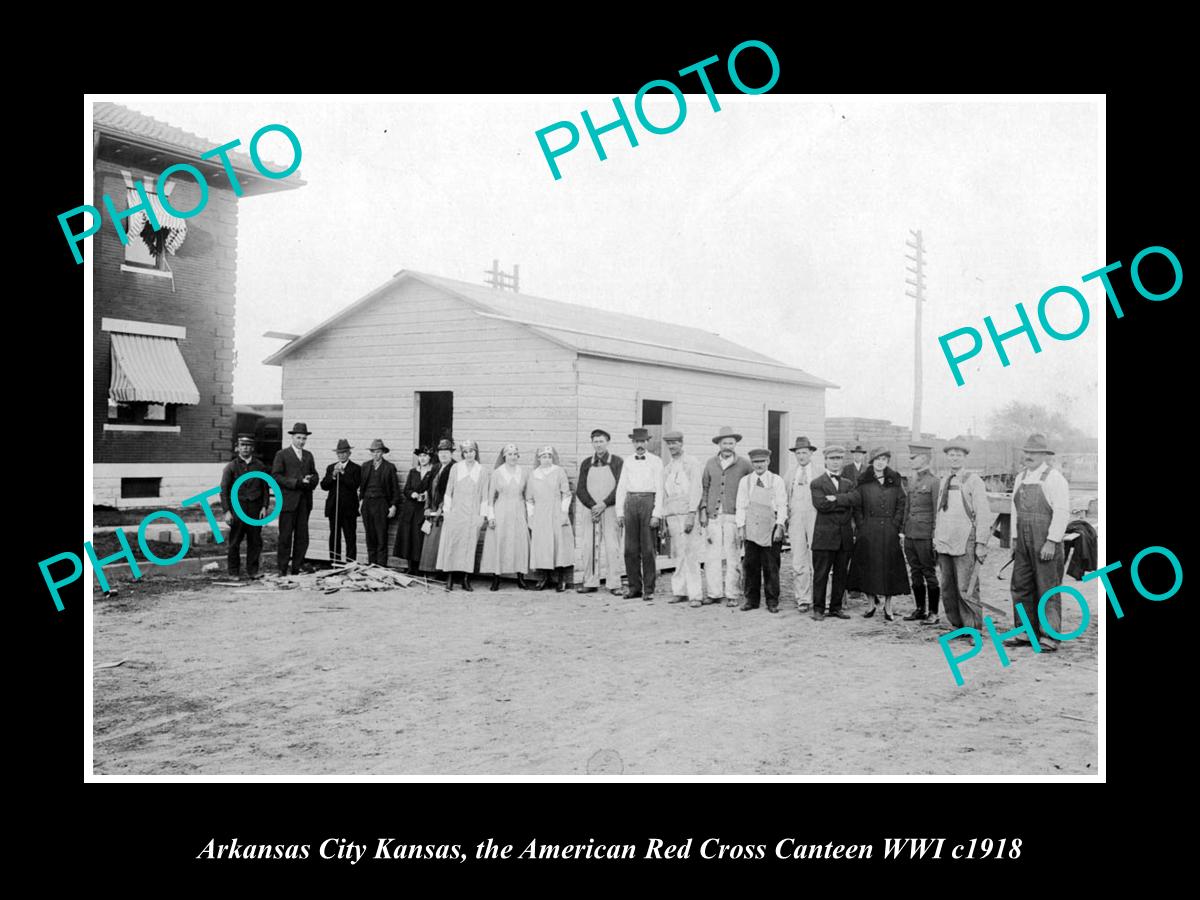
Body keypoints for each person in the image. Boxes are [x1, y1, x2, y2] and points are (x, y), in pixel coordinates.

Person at [1006, 433, 1071, 651]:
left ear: (1044, 455)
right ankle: (1025, 631)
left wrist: (1052, 541)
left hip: (1045, 539)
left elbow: (1062, 512)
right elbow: (1014, 510)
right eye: (1027, 452)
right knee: (1021, 586)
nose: (1029, 456)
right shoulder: (1020, 477)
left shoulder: (1054, 478)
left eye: (1034, 453)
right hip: (1023, 541)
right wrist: (1015, 539)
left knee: (1047, 587)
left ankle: (1049, 636)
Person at [933, 441, 993, 630]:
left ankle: (972, 627)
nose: (954, 458)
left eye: (958, 455)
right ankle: (956, 625)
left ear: (965, 457)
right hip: (945, 539)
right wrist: (936, 537)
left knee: (966, 587)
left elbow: (983, 513)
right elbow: (939, 512)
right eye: (951, 454)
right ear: (947, 457)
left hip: (965, 539)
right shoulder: (944, 480)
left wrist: (981, 543)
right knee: (947, 586)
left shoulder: (973, 480)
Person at [847, 447, 910, 621]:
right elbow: (857, 506)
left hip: (889, 530)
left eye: (884, 459)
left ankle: (888, 607)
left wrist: (896, 524)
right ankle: (870, 604)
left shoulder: (895, 480)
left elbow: (901, 503)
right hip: (868, 530)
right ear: (872, 462)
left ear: (887, 462)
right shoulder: (863, 481)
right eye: (877, 459)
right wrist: (861, 525)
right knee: (868, 567)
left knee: (889, 568)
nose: (880, 462)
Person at [699, 426, 754, 607]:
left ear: (735, 444)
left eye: (731, 443)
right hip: (713, 516)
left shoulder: (745, 464)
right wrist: (703, 511)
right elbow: (705, 488)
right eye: (724, 443)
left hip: (733, 516)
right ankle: (714, 593)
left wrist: (744, 517)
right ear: (719, 444)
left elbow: (750, 489)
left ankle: (732, 593)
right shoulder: (710, 463)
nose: (728, 446)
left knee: (733, 555)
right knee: (712, 556)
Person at [735, 448, 788, 613]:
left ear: (768, 462)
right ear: (752, 463)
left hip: (770, 527)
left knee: (771, 565)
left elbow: (782, 505)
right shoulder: (746, 481)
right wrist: (741, 527)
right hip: (751, 526)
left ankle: (772, 601)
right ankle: (751, 600)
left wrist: (780, 526)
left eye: (762, 461)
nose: (759, 465)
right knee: (750, 565)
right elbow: (741, 505)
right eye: (756, 462)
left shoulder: (776, 480)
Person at [615, 427, 664, 600]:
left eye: (642, 441)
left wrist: (656, 513)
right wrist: (620, 512)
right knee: (630, 549)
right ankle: (634, 587)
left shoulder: (656, 461)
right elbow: (621, 487)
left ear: (647, 442)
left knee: (648, 548)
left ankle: (649, 589)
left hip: (648, 502)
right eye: (636, 441)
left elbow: (660, 488)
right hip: (630, 502)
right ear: (633, 443)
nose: (640, 445)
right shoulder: (628, 461)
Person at [574, 428, 625, 595]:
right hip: (591, 510)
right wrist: (593, 506)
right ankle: (590, 581)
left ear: (607, 442)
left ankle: (614, 583)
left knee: (612, 546)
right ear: (592, 443)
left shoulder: (617, 462)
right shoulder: (586, 463)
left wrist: (604, 503)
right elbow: (580, 489)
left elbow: (621, 487)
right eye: (595, 442)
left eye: (601, 441)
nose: (598, 445)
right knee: (589, 546)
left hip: (610, 509)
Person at [437, 439, 490, 591]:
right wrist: (447, 512)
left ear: (476, 453)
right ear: (462, 454)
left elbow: (485, 495)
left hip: (472, 514)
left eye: (471, 451)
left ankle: (466, 579)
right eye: (465, 452)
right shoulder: (456, 468)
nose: (468, 455)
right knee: (452, 544)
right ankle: (450, 579)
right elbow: (448, 491)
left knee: (469, 546)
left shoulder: (482, 471)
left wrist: (482, 516)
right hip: (456, 512)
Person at [660, 431, 704, 606]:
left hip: (687, 513)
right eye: (669, 444)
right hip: (672, 514)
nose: (672, 447)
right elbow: (664, 494)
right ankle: (679, 591)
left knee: (691, 554)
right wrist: (664, 516)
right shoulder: (668, 468)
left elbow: (696, 489)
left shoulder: (692, 463)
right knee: (678, 553)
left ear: (682, 443)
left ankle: (696, 595)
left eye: (675, 443)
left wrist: (692, 513)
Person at [811, 445, 855, 620]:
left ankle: (836, 607)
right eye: (832, 459)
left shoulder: (848, 483)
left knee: (841, 573)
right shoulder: (817, 483)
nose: (835, 462)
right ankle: (818, 609)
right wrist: (844, 503)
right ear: (825, 461)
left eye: (838, 458)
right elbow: (821, 505)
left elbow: (855, 499)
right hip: (824, 537)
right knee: (821, 574)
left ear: (842, 461)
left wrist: (836, 498)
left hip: (844, 537)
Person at [481, 443, 531, 591]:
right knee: (499, 541)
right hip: (501, 509)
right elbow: (490, 497)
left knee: (519, 542)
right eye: (509, 454)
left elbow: (528, 496)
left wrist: (530, 516)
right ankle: (496, 578)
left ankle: (520, 577)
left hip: (518, 508)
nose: (513, 457)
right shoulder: (497, 473)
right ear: (504, 457)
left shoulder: (524, 472)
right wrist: (491, 516)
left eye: (515, 454)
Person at [220, 434, 271, 578]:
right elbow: (224, 491)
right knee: (235, 541)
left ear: (252, 448)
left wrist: (264, 507)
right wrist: (227, 511)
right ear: (237, 448)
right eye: (243, 445)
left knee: (255, 541)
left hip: (255, 509)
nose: (245, 448)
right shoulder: (231, 467)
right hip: (238, 509)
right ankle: (233, 572)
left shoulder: (260, 466)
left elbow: (265, 489)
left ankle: (253, 571)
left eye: (248, 446)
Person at [271, 422, 319, 576]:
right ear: (292, 437)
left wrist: (311, 481)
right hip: (288, 502)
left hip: (304, 502)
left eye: (304, 438)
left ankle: (296, 568)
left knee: (302, 537)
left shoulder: (308, 455)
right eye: (299, 438)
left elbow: (315, 475)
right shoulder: (282, 454)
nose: (301, 441)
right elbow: (276, 476)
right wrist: (296, 482)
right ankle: (282, 568)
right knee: (285, 536)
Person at [527, 445, 575, 591]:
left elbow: (566, 493)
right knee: (543, 545)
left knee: (559, 543)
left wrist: (564, 512)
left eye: (549, 456)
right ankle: (544, 578)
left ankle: (561, 579)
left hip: (556, 510)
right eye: (543, 456)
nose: (546, 459)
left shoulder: (558, 472)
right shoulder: (533, 474)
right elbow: (529, 498)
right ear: (538, 459)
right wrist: (531, 516)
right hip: (540, 513)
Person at [901, 443, 940, 622]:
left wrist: (934, 536)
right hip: (910, 534)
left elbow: (936, 511)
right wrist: (903, 531)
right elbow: (908, 508)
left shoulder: (934, 481)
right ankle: (919, 609)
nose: (911, 461)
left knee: (928, 572)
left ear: (924, 459)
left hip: (925, 535)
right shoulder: (912, 480)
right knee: (915, 571)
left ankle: (933, 612)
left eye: (913, 458)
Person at [784, 436, 819, 612]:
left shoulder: (819, 472)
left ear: (811, 453)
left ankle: (820, 598)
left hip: (815, 517)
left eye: (804, 452)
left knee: (817, 556)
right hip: (796, 517)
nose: (801, 456)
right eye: (798, 453)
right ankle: (803, 598)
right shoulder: (790, 473)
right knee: (798, 559)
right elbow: (784, 497)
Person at [358, 438, 399, 567]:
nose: (376, 454)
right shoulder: (365, 466)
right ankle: (371, 565)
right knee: (370, 536)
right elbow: (362, 487)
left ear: (383, 453)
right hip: (367, 504)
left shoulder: (389, 467)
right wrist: (361, 502)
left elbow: (395, 489)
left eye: (378, 452)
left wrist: (393, 506)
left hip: (382, 504)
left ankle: (381, 568)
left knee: (381, 536)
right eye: (373, 452)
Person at [419, 440, 456, 579]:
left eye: (446, 452)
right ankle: (430, 570)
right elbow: (428, 489)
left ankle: (442, 572)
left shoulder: (455, 468)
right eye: (441, 453)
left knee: (442, 540)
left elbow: (452, 491)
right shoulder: (435, 467)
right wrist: (427, 506)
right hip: (432, 509)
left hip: (446, 510)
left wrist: (442, 507)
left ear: (451, 454)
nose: (443, 455)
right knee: (431, 539)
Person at [394, 447, 434, 574]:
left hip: (423, 509)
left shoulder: (432, 472)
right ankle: (410, 567)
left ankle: (420, 568)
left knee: (419, 537)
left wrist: (427, 495)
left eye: (425, 456)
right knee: (408, 537)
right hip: (410, 509)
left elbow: (436, 490)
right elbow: (406, 490)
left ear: (430, 457)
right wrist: (412, 494)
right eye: (420, 456)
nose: (422, 458)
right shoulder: (413, 472)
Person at [321, 438, 361, 562]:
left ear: (349, 453)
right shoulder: (331, 467)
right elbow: (324, 486)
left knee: (350, 537)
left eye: (344, 453)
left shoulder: (356, 468)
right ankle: (335, 562)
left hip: (349, 509)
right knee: (334, 536)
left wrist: (343, 473)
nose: (341, 455)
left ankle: (350, 563)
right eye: (339, 453)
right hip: (334, 508)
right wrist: (333, 475)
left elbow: (354, 485)